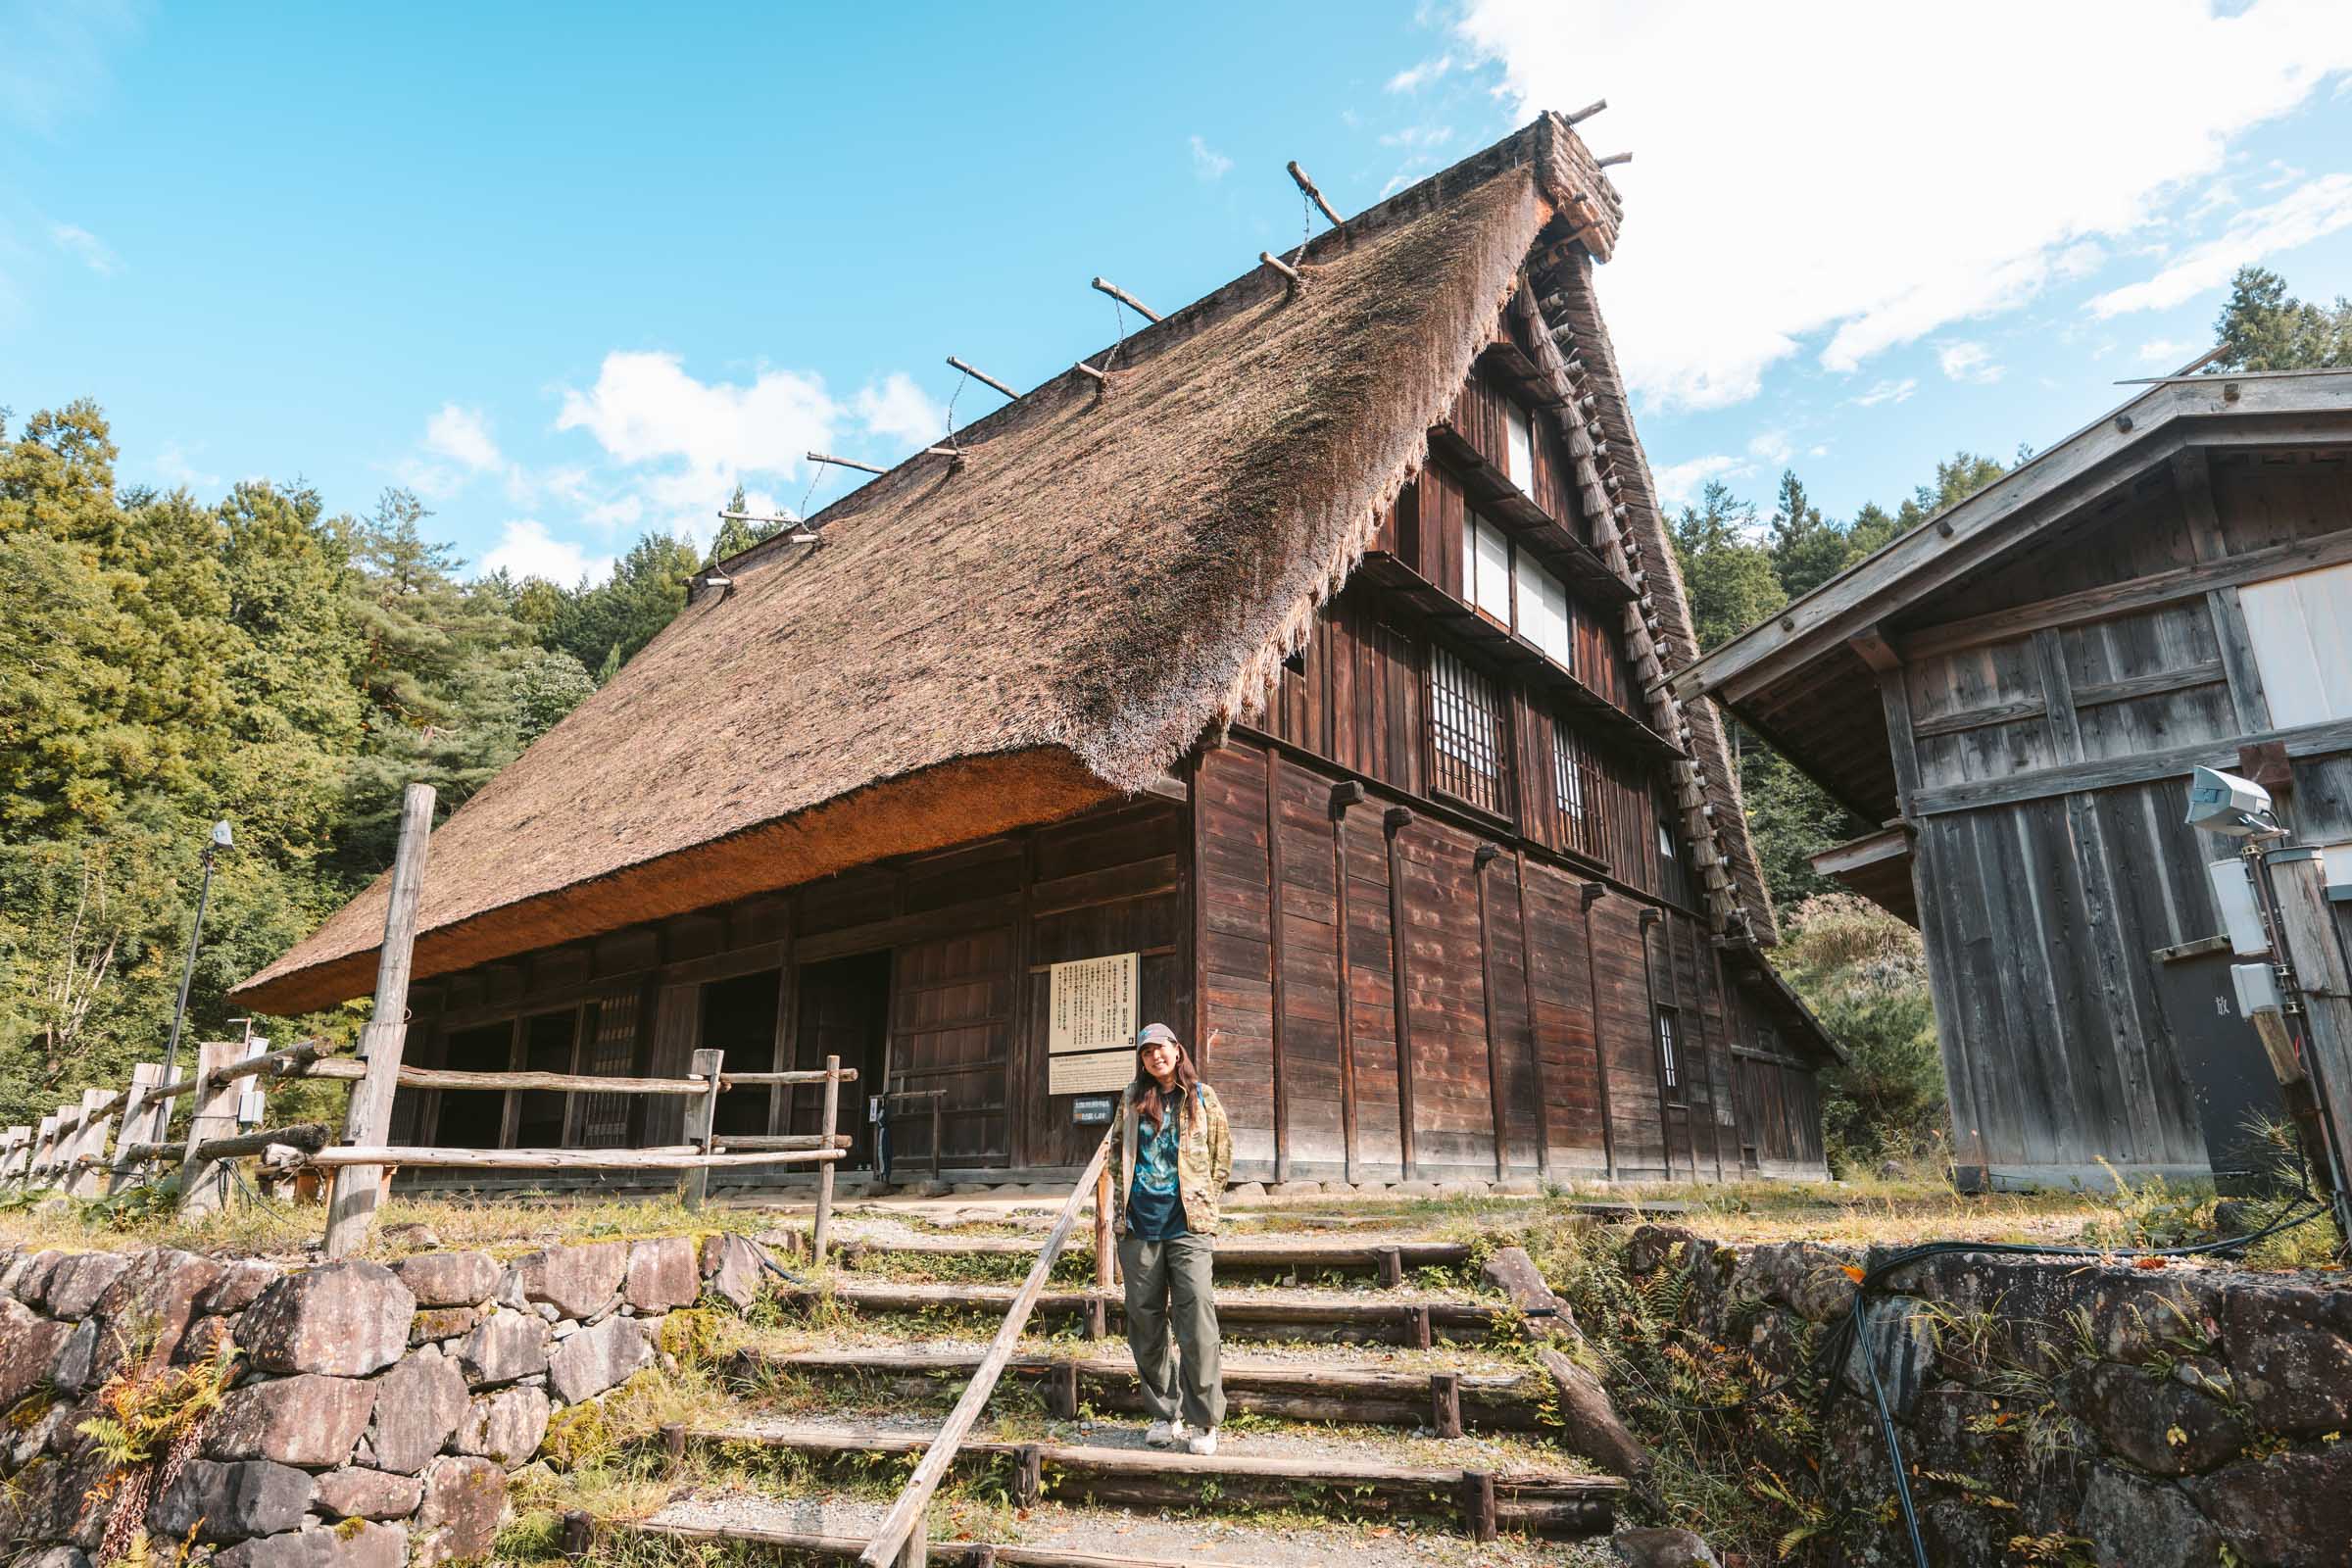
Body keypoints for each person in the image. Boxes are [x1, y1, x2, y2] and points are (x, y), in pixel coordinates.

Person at [1104, 1021, 1232, 1455]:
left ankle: (1204, 1421)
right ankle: (1164, 1413)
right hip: (1139, 1225)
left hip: (1188, 1226)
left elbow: (1222, 1157)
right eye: (1146, 1052)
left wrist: (1204, 1202)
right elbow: (1116, 1152)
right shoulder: (1131, 1097)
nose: (1155, 1056)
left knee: (1196, 1319)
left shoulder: (1202, 1097)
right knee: (1145, 1321)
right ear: (1141, 1060)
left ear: (1178, 1051)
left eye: (1161, 1048)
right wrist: (1120, 1210)